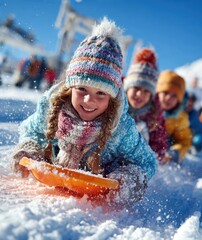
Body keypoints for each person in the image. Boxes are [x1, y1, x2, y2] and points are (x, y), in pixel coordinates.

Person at [11, 18, 158, 208]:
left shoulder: (122, 129)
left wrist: (130, 178)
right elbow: (31, 131)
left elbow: (148, 163)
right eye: (82, 89)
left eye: (100, 93)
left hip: (94, 198)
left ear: (112, 97)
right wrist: (29, 148)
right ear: (70, 86)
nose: (89, 101)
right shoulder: (52, 108)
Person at [123, 48, 167, 161]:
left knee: (141, 128)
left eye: (146, 91)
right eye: (136, 88)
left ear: (151, 95)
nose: (140, 94)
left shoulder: (154, 114)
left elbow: (158, 143)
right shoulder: (114, 104)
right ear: (127, 87)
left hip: (137, 158)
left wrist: (153, 157)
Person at [156, 70, 192, 163]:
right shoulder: (146, 107)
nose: (168, 98)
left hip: (163, 148)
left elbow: (184, 141)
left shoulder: (180, 117)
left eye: (174, 96)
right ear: (157, 92)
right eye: (165, 93)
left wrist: (175, 152)